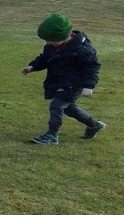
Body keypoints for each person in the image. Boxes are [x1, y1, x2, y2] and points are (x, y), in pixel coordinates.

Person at [22, 13, 104, 144]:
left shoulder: (83, 50)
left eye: (50, 40)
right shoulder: (52, 46)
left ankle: (52, 135)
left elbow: (92, 67)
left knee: (56, 106)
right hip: (59, 81)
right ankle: (94, 125)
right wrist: (33, 66)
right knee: (69, 108)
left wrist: (89, 86)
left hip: (73, 85)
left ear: (63, 37)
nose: (47, 43)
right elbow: (45, 58)